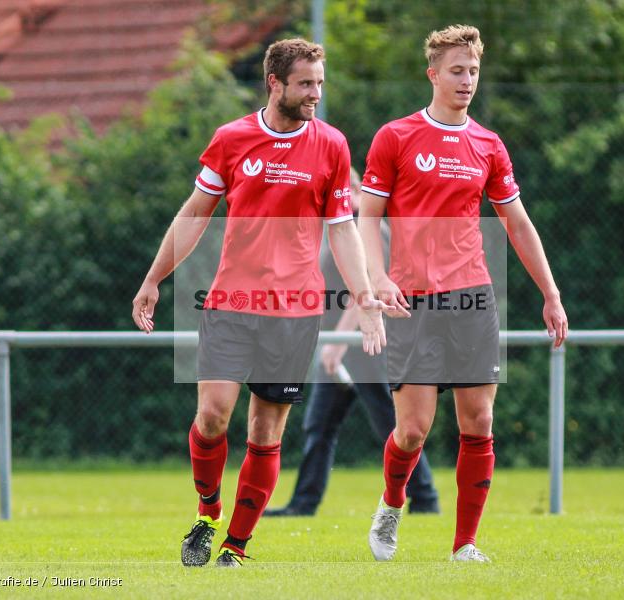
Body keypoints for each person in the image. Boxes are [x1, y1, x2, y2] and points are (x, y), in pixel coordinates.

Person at [131, 38, 399, 568]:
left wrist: (365, 298)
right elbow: (194, 215)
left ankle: (236, 544)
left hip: (295, 311)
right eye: (305, 83)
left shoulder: (332, 145)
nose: (315, 93)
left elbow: (343, 231)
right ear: (274, 83)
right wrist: (154, 278)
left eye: (320, 82)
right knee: (211, 417)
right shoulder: (232, 139)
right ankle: (208, 513)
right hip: (232, 302)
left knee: (264, 431)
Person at [358, 24, 569, 563]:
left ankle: (465, 544)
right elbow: (367, 218)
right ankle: (390, 505)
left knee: (479, 423)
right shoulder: (396, 137)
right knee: (414, 429)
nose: (466, 80)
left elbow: (517, 224)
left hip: (472, 296)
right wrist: (378, 278)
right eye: (457, 71)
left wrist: (550, 293)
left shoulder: (488, 145)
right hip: (411, 300)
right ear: (433, 74)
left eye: (473, 71)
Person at [264, 168, 439, 518]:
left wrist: (340, 344)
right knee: (320, 424)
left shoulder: (365, 226)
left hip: (370, 344)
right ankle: (303, 503)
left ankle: (425, 498)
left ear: (353, 189)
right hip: (340, 346)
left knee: (393, 423)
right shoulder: (338, 226)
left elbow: (367, 289)